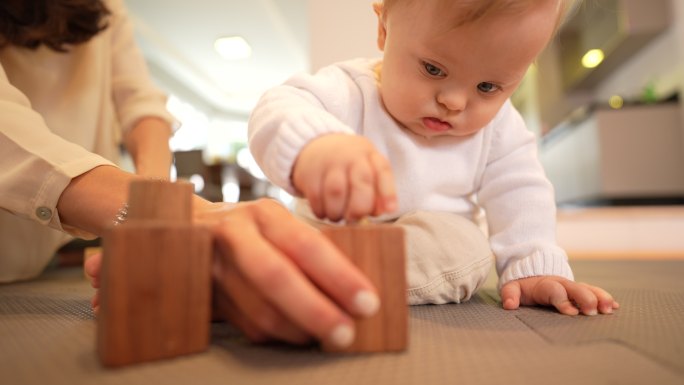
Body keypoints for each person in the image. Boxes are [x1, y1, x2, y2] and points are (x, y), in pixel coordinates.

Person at [0, 0, 380, 349]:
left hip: (35, 265)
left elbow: (141, 105)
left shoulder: (109, 8)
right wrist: (158, 212)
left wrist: (154, 216)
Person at [248, 0, 620, 316]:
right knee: (262, 223)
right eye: (433, 69)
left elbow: (522, 191)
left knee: (465, 246)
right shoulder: (348, 92)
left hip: (427, 252)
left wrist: (532, 265)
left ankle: (313, 279)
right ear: (383, 29)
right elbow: (277, 107)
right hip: (328, 235)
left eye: (487, 87)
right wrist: (317, 145)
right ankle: (305, 272)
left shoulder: (499, 130)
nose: (453, 102)